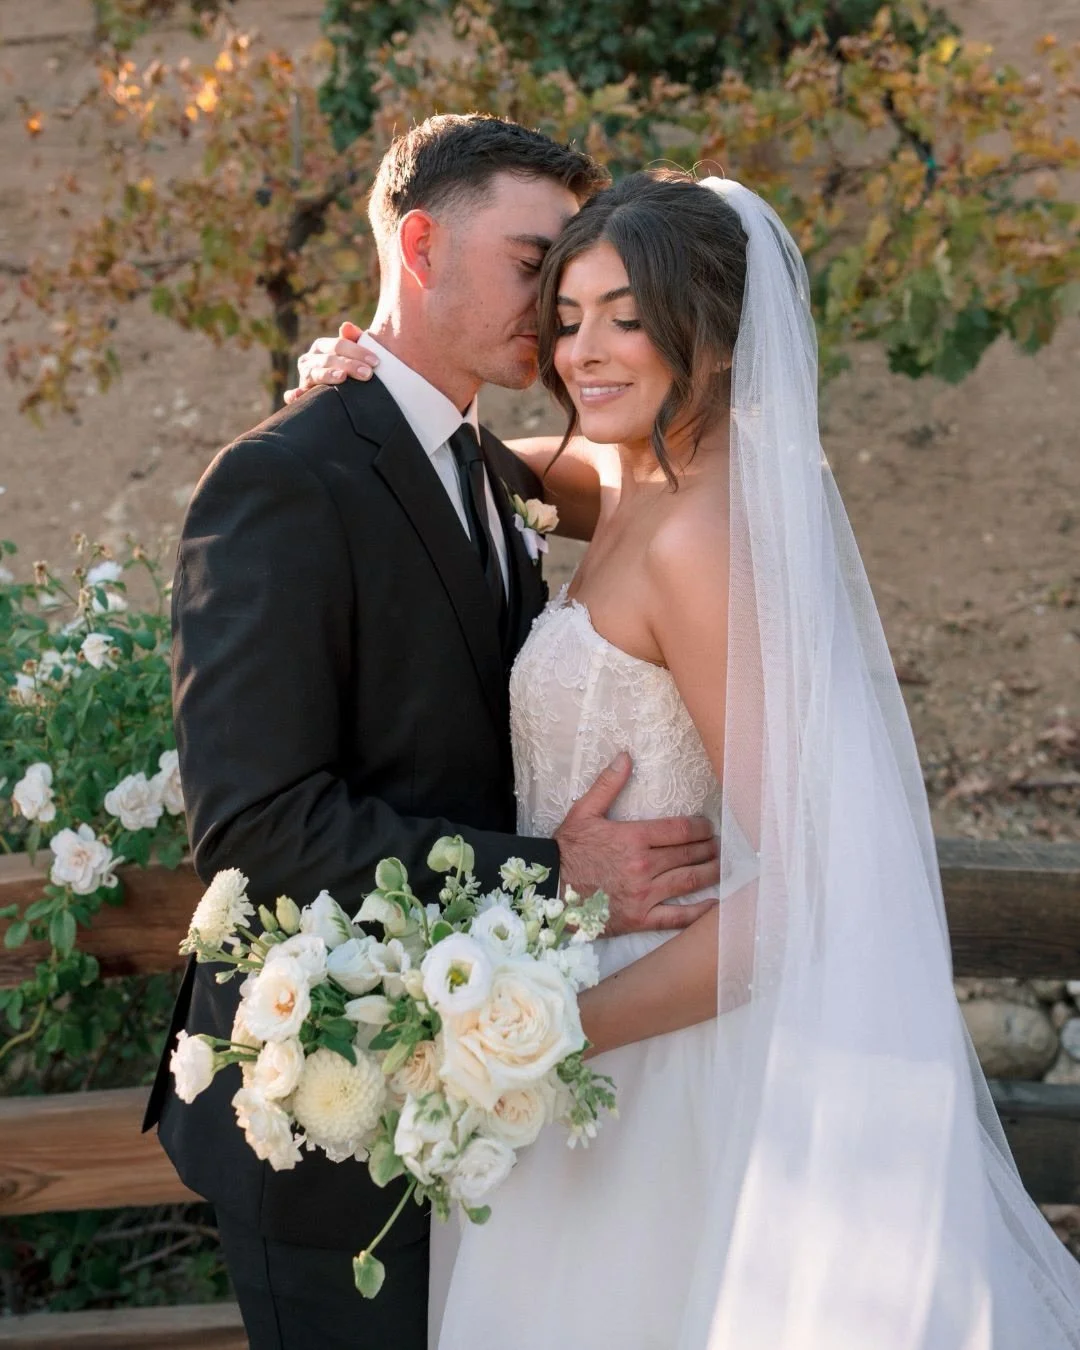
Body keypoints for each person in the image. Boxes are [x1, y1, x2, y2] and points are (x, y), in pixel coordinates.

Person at [296, 171, 1080, 1348]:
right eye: (567, 318)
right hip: (565, 1010)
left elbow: (800, 892)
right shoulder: (628, 486)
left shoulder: (704, 536)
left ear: (711, 336)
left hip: (661, 1045)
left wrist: (555, 1037)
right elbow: (480, 469)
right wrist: (358, 390)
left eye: (626, 317)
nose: (584, 353)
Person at [142, 119, 724, 1350]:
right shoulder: (282, 479)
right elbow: (256, 824)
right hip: (327, 1126)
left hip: (483, 1106)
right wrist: (556, 876)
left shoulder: (487, 466)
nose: (558, 311)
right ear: (418, 242)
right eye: (533, 265)